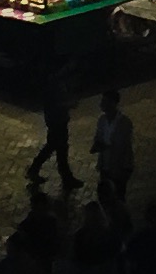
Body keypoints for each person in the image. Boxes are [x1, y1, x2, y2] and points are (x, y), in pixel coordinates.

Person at [28, 66, 82, 192]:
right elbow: (55, 105)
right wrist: (69, 105)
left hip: (58, 121)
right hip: (56, 121)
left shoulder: (56, 83)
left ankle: (35, 170)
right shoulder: (53, 85)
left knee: (54, 147)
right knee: (59, 148)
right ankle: (66, 178)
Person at [91, 87, 135, 219]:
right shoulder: (102, 121)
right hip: (106, 165)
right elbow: (98, 137)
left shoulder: (124, 123)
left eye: (105, 102)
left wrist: (104, 146)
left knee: (119, 196)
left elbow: (122, 146)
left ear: (113, 103)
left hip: (121, 166)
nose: (101, 105)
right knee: (106, 196)